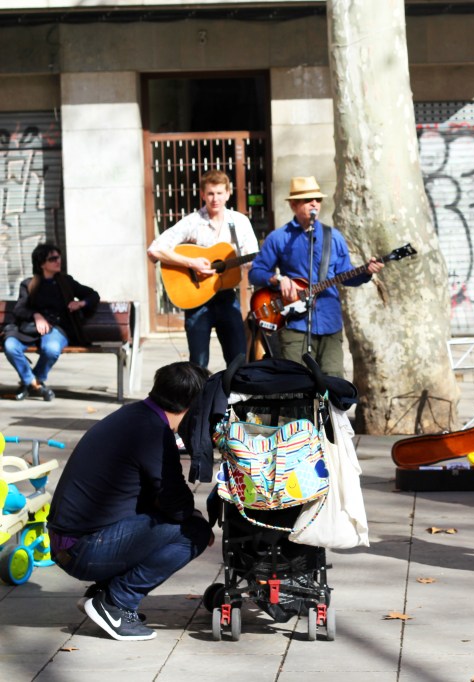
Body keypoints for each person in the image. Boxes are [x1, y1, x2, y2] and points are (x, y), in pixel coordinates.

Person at [48, 361, 212, 641]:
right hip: (83, 549)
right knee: (194, 532)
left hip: (69, 542)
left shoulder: (135, 415)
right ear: (193, 405)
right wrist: (195, 516)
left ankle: (103, 593)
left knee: (171, 517)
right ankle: (116, 602)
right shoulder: (153, 433)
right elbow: (176, 504)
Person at [249, 176, 383, 377]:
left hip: (329, 322)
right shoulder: (279, 237)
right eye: (308, 200)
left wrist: (366, 272)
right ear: (293, 205)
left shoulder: (333, 237)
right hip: (295, 324)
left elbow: (345, 274)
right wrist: (278, 279)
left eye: (318, 199)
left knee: (334, 380)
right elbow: (256, 273)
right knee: (296, 382)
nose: (314, 204)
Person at [147, 169, 258, 368]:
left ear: (228, 193)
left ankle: (235, 390)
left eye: (220, 193)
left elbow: (252, 258)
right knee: (198, 364)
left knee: (239, 361)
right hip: (197, 301)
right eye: (210, 193)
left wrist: (255, 262)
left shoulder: (240, 222)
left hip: (227, 297)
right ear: (202, 194)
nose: (215, 199)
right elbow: (154, 250)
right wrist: (192, 263)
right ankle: (200, 390)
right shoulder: (193, 222)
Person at [3, 243, 99, 401]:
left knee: (51, 349)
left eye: (58, 257)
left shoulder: (66, 282)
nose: (58, 261)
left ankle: (32, 382)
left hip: (57, 329)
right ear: (42, 264)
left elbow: (93, 295)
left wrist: (81, 303)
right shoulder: (28, 284)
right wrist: (36, 315)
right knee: (10, 346)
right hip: (29, 329)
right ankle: (34, 384)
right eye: (53, 259)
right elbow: (19, 309)